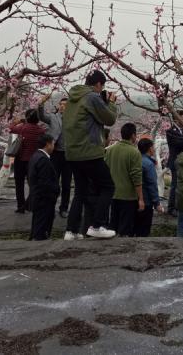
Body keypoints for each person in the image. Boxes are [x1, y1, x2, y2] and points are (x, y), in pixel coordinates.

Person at [63, 69, 117, 239]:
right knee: (108, 186)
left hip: (72, 152)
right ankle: (97, 225)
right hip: (89, 151)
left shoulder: (73, 98)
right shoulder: (92, 97)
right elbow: (109, 119)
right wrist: (111, 103)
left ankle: (71, 231)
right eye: (102, 86)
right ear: (99, 84)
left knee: (80, 191)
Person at [105, 123, 144, 237]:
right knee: (125, 228)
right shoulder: (134, 152)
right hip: (128, 196)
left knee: (113, 225)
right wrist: (141, 198)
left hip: (113, 193)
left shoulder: (110, 150)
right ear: (133, 135)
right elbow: (136, 177)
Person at [38, 94, 72, 218]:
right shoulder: (53, 117)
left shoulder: (73, 119)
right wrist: (41, 103)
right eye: (61, 105)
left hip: (68, 155)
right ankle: (50, 206)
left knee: (66, 184)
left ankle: (64, 208)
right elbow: (41, 116)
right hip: (55, 153)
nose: (63, 107)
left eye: (65, 105)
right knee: (53, 182)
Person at [9, 109, 46, 213]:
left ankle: (20, 206)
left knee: (19, 184)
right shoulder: (41, 130)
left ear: (26, 117)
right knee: (33, 184)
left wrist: (17, 122)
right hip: (34, 161)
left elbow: (11, 129)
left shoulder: (22, 128)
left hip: (20, 159)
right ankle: (29, 204)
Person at [28, 134, 60, 241]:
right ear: (48, 144)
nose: (54, 147)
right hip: (44, 198)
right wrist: (53, 194)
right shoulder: (43, 160)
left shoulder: (35, 156)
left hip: (37, 196)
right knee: (42, 226)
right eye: (53, 144)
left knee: (38, 223)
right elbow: (45, 182)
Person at [137, 138, 164, 236]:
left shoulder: (136, 160)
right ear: (150, 149)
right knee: (144, 229)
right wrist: (157, 203)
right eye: (153, 147)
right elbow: (151, 185)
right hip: (146, 201)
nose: (154, 149)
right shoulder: (148, 164)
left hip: (135, 199)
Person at [166, 110, 183, 217]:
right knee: (175, 185)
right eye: (182, 119)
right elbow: (181, 143)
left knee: (180, 185)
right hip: (175, 161)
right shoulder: (171, 131)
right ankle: (171, 208)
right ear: (176, 119)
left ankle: (177, 205)